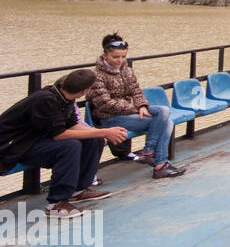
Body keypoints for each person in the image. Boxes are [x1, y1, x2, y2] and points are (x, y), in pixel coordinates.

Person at [0, 69, 129, 218]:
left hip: (34, 140)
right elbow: (59, 135)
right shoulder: (46, 100)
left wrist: (102, 132)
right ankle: (55, 203)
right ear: (84, 91)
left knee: (94, 139)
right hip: (13, 147)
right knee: (70, 146)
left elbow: (72, 125)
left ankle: (78, 190)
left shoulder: (65, 97)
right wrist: (104, 132)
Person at [89, 33, 186, 179]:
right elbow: (105, 104)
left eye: (123, 57)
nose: (120, 60)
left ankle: (149, 151)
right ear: (105, 55)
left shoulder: (126, 70)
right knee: (167, 123)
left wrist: (142, 106)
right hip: (110, 118)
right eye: (115, 57)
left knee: (164, 112)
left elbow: (136, 91)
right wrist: (134, 108)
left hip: (130, 112)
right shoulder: (96, 76)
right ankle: (160, 164)